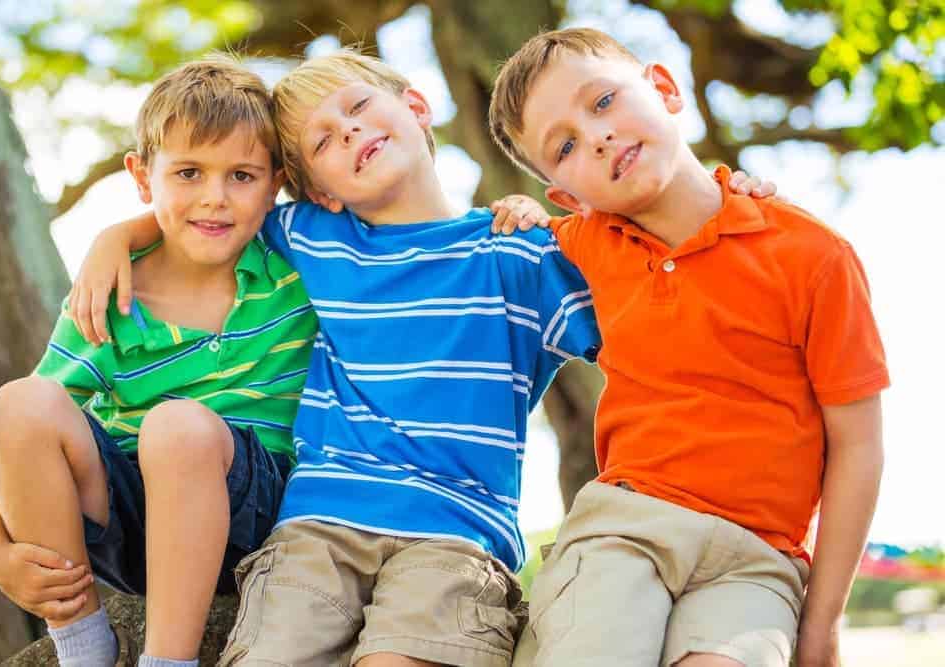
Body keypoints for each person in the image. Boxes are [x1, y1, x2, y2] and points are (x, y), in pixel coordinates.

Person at [73, 50, 774, 667]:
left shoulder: (523, 254)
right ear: (317, 190)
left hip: (455, 534)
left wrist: (728, 202)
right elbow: (211, 209)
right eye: (323, 140)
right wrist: (116, 234)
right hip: (318, 523)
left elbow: (653, 292)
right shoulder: (312, 238)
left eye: (358, 107)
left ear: (415, 106)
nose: (348, 130)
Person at [489, 27, 889, 667]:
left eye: (602, 102)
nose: (596, 136)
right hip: (623, 533)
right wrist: (517, 211)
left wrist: (825, 622)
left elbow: (859, 446)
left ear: (666, 89)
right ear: (568, 198)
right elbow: (489, 247)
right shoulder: (581, 246)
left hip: (758, 558)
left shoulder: (815, 257)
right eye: (565, 146)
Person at [0, 57, 318, 667]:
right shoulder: (109, 298)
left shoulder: (296, 260)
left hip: (258, 516)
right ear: (142, 176)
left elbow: (392, 217)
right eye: (188, 172)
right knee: (19, 402)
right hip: (137, 527)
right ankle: (82, 646)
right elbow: (20, 431)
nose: (214, 198)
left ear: (275, 184)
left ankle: (168, 660)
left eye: (241, 175)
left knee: (176, 425)